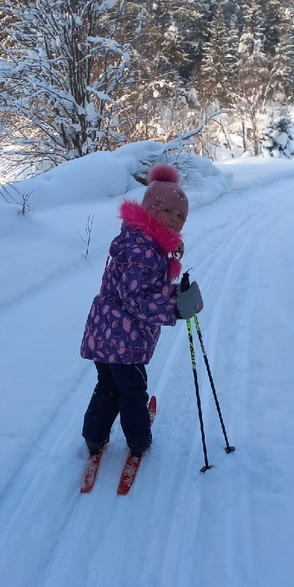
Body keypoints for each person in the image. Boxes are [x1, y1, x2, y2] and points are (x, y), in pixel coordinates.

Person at [80, 163, 203, 458]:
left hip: (106, 333)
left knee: (108, 386)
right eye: (168, 212)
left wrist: (173, 293)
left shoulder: (138, 240)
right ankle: (138, 441)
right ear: (150, 209)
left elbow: (139, 290)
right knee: (133, 392)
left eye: (180, 216)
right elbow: (138, 297)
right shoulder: (143, 249)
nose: (174, 220)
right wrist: (175, 305)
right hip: (124, 339)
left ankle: (94, 437)